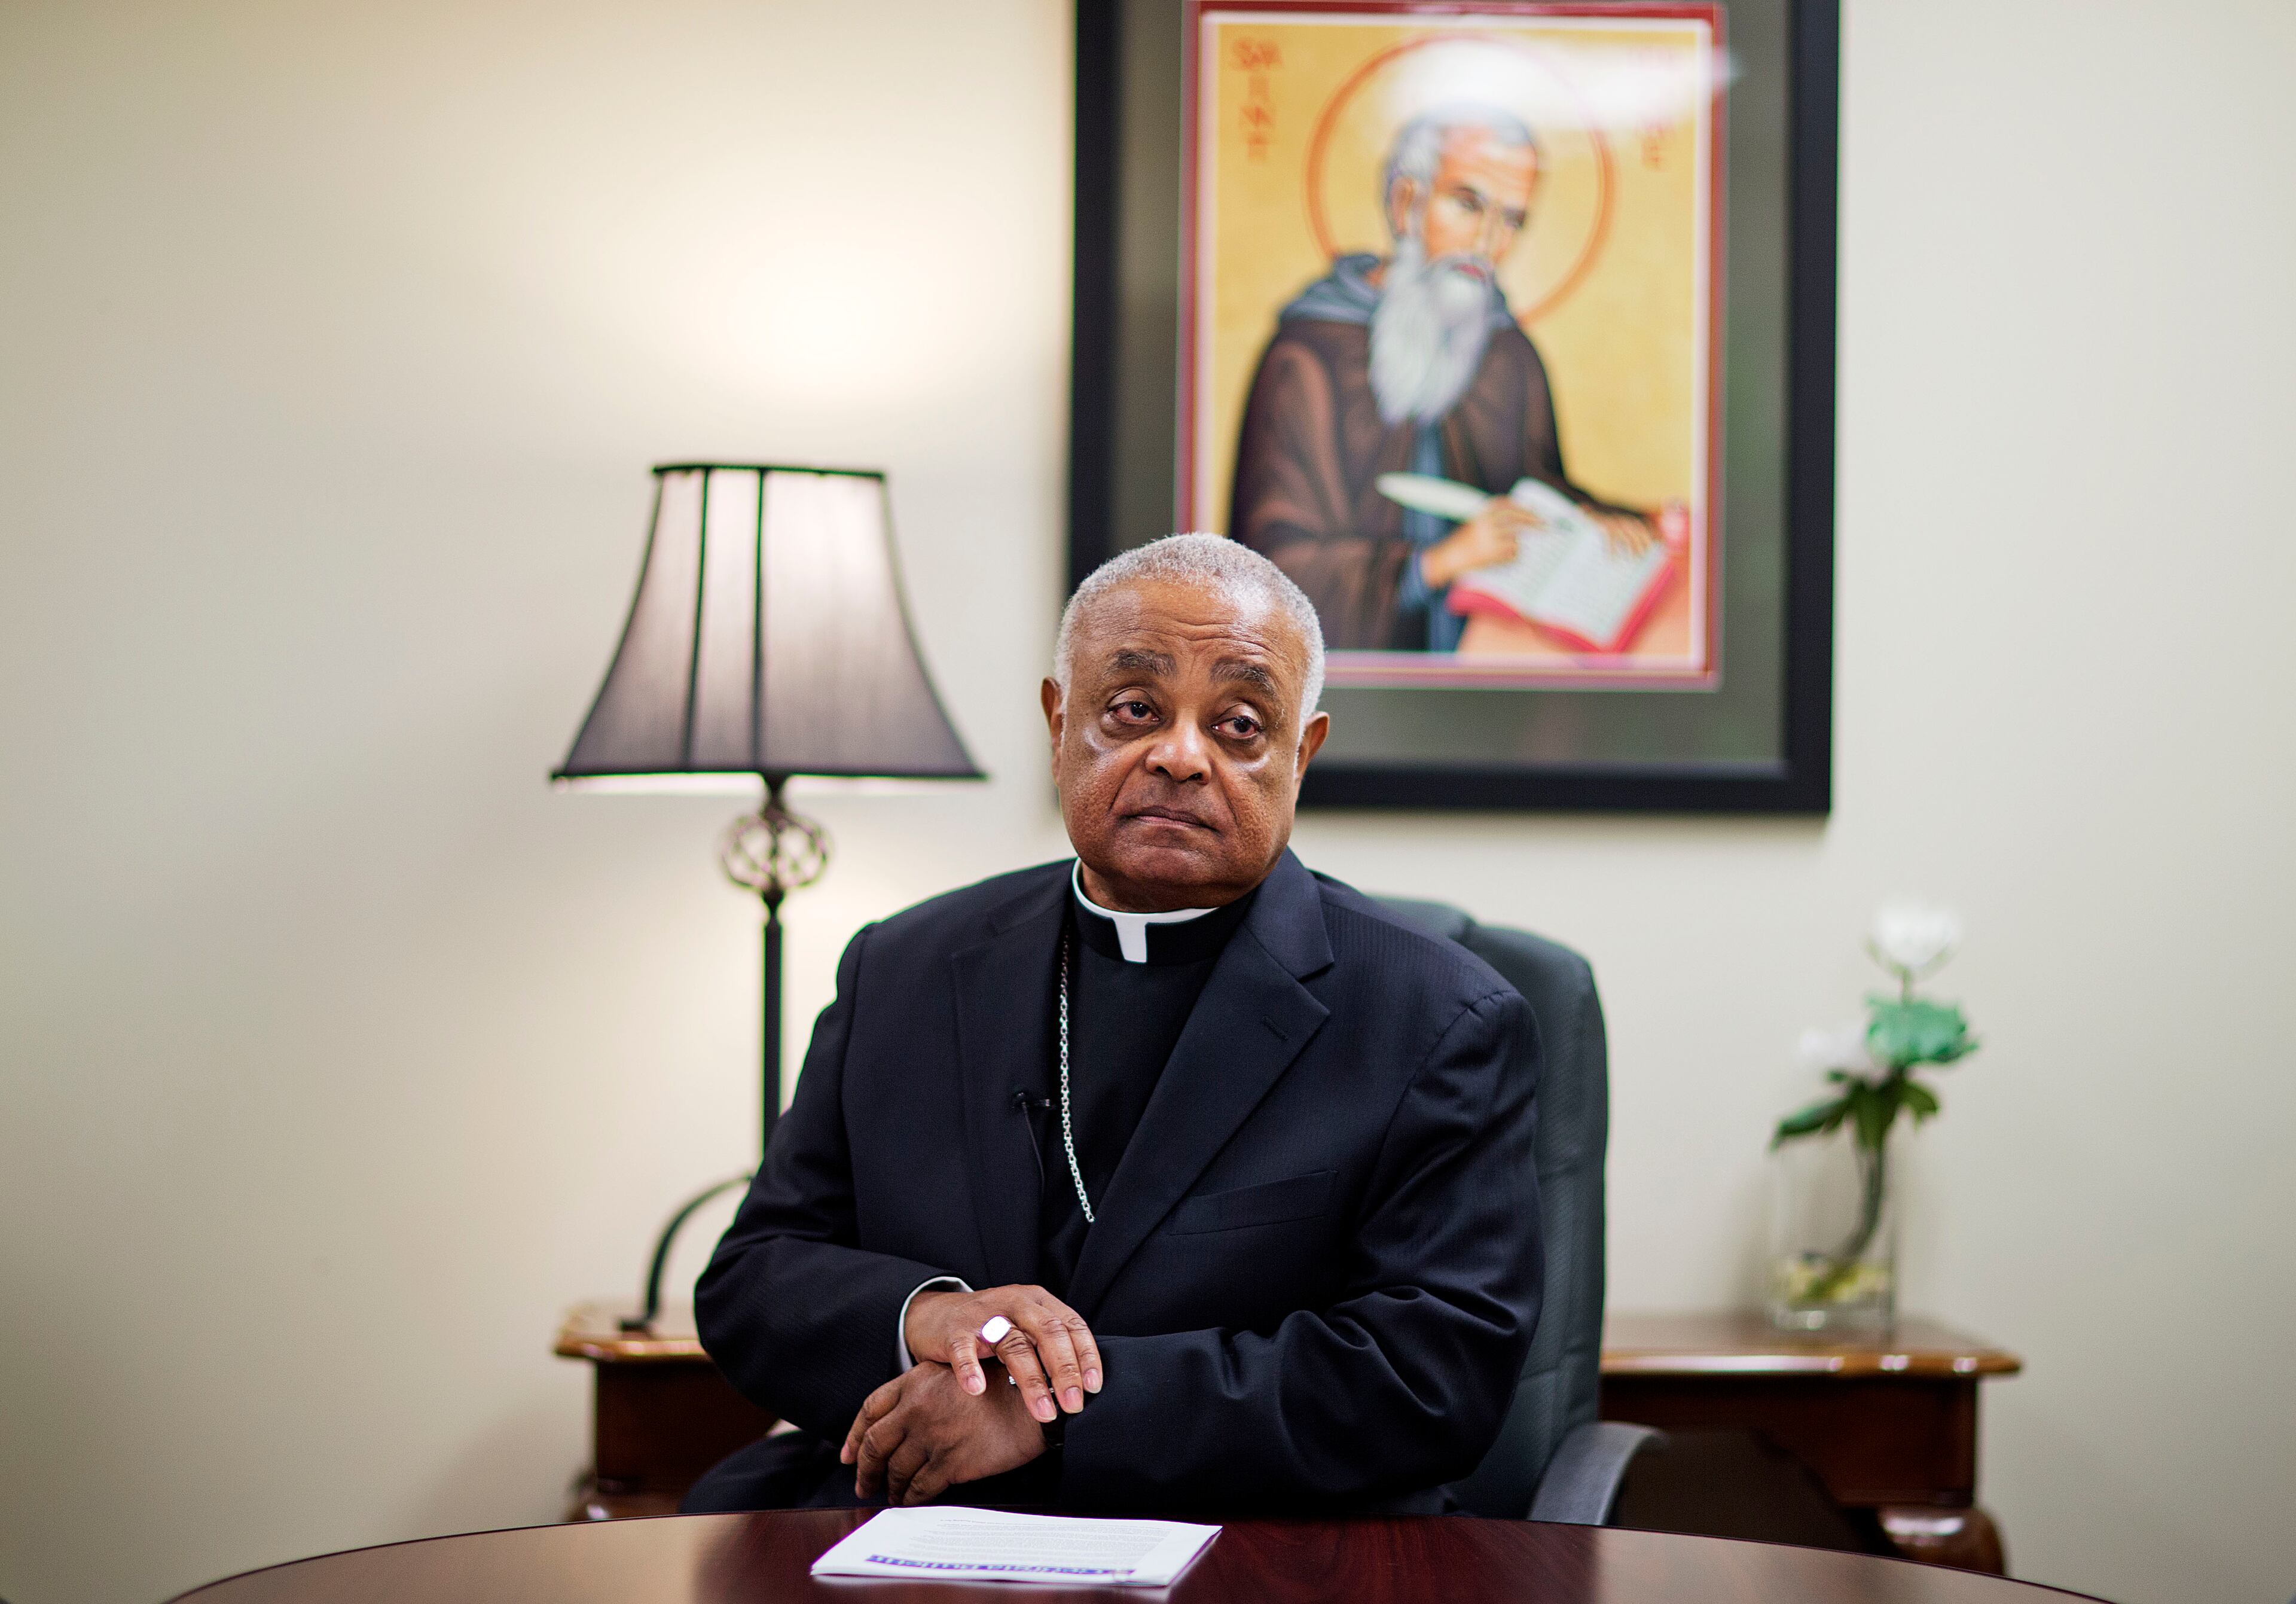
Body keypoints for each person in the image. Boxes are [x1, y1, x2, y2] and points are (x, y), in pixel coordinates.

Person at [686, 533, 1541, 1514]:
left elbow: (1429, 1380)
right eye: (1135, 710)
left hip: (1253, 1544)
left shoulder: (1435, 1017)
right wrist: (927, 1317)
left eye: (1240, 724)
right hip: (917, 1528)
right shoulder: (906, 969)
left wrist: (1053, 1414)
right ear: (1059, 722)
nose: (1180, 756)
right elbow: (753, 1279)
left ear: (1301, 756)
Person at [1229, 105, 1659, 652]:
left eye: (1513, 220)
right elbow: (1266, 566)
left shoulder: (1509, 352)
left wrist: (1589, 522)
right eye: (1468, 204)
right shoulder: (1306, 356)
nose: (1488, 242)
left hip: (1493, 656)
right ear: (1406, 202)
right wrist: (1440, 563)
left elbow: (1532, 487)